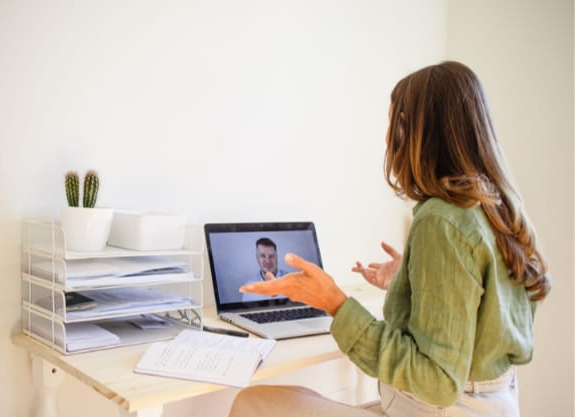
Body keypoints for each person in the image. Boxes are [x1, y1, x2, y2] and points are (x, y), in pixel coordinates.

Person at [228, 61, 550, 417]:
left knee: (251, 402)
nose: (386, 138)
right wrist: (411, 280)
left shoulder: (442, 218)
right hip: (495, 403)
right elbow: (486, 313)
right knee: (295, 393)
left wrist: (334, 302)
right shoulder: (497, 205)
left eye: (394, 123)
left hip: (443, 408)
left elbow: (437, 381)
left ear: (419, 131)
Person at [241, 237, 288, 302]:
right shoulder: (248, 287)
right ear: (257, 258)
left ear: (276, 257)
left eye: (271, 256)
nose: (268, 261)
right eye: (263, 256)